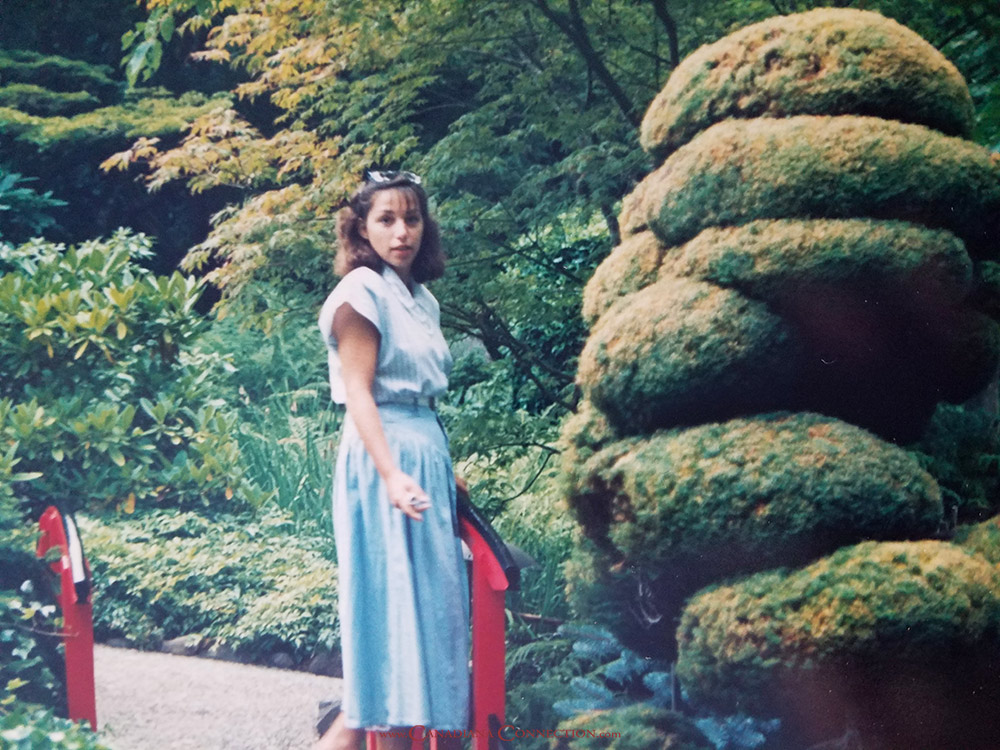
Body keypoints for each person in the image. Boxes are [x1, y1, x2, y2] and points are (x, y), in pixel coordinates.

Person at [314, 171, 470, 750]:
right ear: (361, 228)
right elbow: (360, 393)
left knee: (432, 623)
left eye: (411, 218)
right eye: (386, 219)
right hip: (384, 459)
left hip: (421, 453)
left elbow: (420, 393)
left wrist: (440, 469)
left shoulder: (420, 298)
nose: (401, 231)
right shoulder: (360, 293)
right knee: (392, 627)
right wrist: (392, 473)